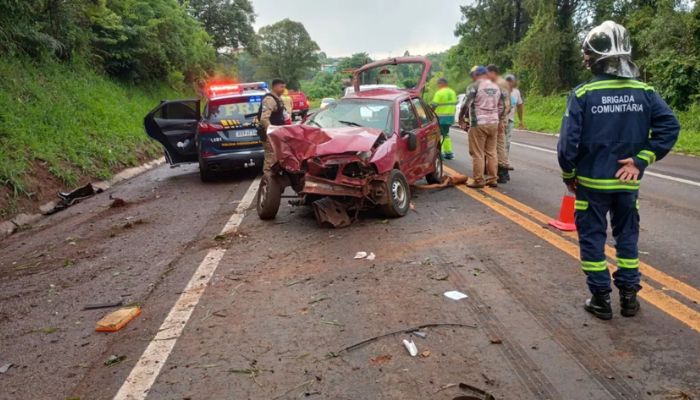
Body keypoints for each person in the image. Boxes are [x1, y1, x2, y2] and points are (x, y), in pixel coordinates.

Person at [557, 21, 680, 320]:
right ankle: (628, 298)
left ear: (595, 58)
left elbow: (567, 144)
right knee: (627, 238)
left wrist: (568, 174)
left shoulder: (583, 94)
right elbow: (669, 127)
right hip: (627, 185)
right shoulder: (645, 92)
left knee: (592, 240)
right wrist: (640, 161)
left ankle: (600, 299)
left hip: (591, 185)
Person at [458, 66, 507, 189]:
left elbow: (465, 104)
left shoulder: (474, 86)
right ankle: (492, 179)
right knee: (491, 152)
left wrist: (461, 119)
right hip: (494, 123)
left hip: (478, 123)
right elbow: (503, 107)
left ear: (476, 74)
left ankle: (479, 180)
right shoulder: (497, 87)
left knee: (477, 153)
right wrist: (499, 119)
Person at [258, 79, 291, 174]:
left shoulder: (277, 98)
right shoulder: (269, 99)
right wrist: (272, 132)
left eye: (284, 87)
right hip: (269, 135)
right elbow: (264, 118)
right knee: (270, 157)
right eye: (281, 87)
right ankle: (268, 181)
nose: (283, 89)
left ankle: (274, 179)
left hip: (276, 134)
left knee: (278, 156)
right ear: (275, 87)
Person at [486, 64, 512, 183]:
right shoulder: (499, 83)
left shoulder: (499, 84)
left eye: (488, 73)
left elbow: (505, 105)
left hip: (499, 120)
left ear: (493, 72)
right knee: (496, 146)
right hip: (498, 119)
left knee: (499, 146)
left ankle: (502, 173)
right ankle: (499, 171)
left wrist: (500, 121)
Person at [430, 77, 458, 160]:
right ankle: (448, 153)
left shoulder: (439, 93)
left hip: (441, 118)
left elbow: (434, 105)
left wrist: (430, 113)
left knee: (438, 135)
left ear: (441, 84)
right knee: (446, 134)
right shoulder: (452, 92)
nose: (438, 86)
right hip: (450, 118)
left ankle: (440, 154)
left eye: (438, 84)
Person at [504, 74, 524, 165]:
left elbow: (520, 106)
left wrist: (521, 121)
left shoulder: (516, 92)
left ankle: (505, 160)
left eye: (511, 82)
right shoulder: (500, 91)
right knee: (497, 142)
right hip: (499, 121)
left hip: (510, 120)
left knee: (507, 142)